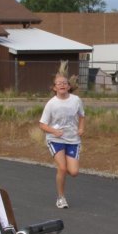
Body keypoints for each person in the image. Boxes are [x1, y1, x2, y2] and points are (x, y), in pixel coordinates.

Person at [39, 63, 85, 209]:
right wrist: (54, 131)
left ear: (69, 86)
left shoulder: (76, 100)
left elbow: (82, 116)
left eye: (65, 83)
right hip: (55, 140)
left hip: (72, 140)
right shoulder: (51, 104)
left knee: (74, 172)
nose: (62, 85)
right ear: (54, 88)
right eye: (59, 84)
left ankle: (64, 166)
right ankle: (61, 198)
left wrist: (81, 128)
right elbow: (42, 124)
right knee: (62, 168)